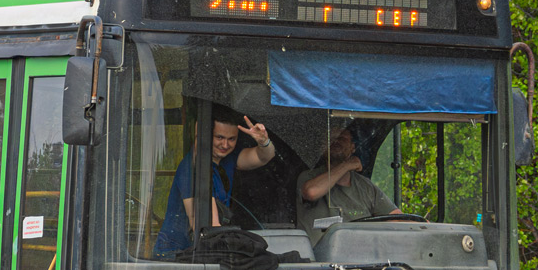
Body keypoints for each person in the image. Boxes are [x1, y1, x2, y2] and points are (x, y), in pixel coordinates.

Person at [154, 109, 277, 256]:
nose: (225, 145)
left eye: (231, 139)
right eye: (219, 137)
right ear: (204, 135)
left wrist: (264, 142)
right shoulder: (192, 168)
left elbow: (263, 157)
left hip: (203, 247)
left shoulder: (228, 158)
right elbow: (207, 225)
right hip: (175, 254)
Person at [296, 128, 400, 242]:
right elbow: (311, 192)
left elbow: (397, 218)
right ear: (323, 148)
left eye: (342, 138)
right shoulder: (309, 177)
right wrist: (347, 165)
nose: (336, 141)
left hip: (361, 256)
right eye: (331, 138)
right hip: (318, 258)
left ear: (353, 147)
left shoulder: (366, 187)